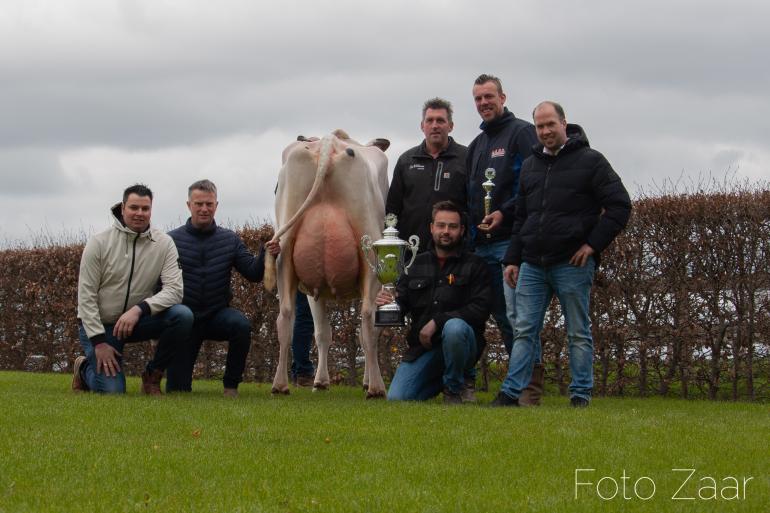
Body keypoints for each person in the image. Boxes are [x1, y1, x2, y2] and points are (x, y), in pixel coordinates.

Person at [491, 101, 631, 408]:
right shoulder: (530, 165)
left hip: (572, 263)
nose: (545, 131)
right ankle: (511, 393)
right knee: (524, 330)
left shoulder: (591, 161)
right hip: (532, 263)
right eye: (539, 127)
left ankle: (580, 395)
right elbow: (522, 218)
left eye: (550, 124)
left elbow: (620, 205)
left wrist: (592, 245)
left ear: (564, 123)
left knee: (577, 332)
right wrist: (513, 258)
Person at [72, 184, 193, 395]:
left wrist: (139, 310)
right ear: (122, 209)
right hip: (102, 326)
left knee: (182, 316)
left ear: (151, 210)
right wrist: (99, 343)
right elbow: (86, 296)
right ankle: (83, 369)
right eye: (134, 207)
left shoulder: (164, 243)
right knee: (113, 392)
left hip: (137, 322)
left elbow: (175, 290)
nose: (139, 213)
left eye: (145, 209)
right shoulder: (98, 243)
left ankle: (152, 375)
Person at [165, 179, 280, 397]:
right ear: (188, 205)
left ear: (216, 205)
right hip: (184, 321)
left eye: (209, 204)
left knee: (241, 326)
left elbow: (253, 274)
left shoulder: (230, 240)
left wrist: (267, 254)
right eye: (198, 204)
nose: (204, 209)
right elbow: (158, 284)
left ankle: (231, 387)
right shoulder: (171, 240)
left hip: (217, 316)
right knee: (177, 391)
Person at [382, 201, 491, 404]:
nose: (446, 231)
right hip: (424, 349)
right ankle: (445, 380)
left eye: (453, 226)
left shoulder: (476, 265)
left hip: (463, 345)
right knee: (397, 398)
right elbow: (402, 302)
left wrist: (438, 321)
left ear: (462, 230)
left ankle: (453, 389)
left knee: (454, 328)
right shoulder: (414, 264)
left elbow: (480, 309)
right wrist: (388, 303)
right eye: (441, 225)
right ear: (432, 228)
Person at [386, 97, 467, 252]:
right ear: (422, 126)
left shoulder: (467, 158)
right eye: (429, 121)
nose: (435, 125)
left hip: (455, 252)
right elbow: (393, 208)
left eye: (440, 121)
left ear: (450, 126)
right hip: (412, 251)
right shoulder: (406, 161)